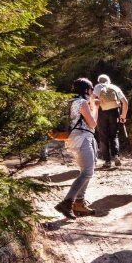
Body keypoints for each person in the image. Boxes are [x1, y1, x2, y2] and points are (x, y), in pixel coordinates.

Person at [57, 78, 100, 219]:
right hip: (82, 138)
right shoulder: (82, 102)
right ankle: (67, 202)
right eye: (91, 89)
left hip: (80, 138)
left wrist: (92, 104)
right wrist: (96, 107)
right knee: (87, 172)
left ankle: (79, 203)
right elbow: (93, 124)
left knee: (88, 170)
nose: (92, 92)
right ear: (86, 90)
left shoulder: (72, 102)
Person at [93, 74, 128, 168]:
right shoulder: (114, 87)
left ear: (99, 81)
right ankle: (116, 156)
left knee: (103, 136)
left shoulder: (97, 87)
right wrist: (123, 116)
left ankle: (107, 161)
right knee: (114, 135)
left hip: (101, 112)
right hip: (114, 112)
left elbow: (93, 99)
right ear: (109, 81)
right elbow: (125, 102)